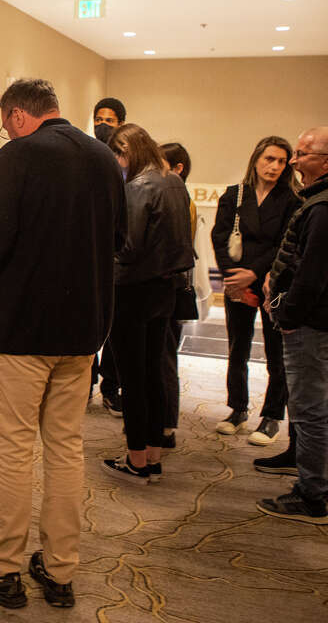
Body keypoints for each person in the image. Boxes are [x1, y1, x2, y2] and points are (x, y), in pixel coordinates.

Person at [0, 79, 126, 610]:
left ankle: (4, 566)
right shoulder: (104, 157)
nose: (5, 130)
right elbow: (119, 240)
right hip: (82, 330)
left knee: (12, 447)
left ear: (16, 114)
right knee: (65, 448)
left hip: (22, 331)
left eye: (4, 121)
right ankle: (59, 571)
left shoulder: (19, 156)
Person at [256, 127, 328, 525]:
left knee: (310, 412)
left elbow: (311, 277)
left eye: (303, 154)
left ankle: (311, 496)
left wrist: (286, 318)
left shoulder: (326, 208)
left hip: (318, 326)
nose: (293, 161)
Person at [101, 124, 193, 483]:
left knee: (133, 379)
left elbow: (128, 246)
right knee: (154, 373)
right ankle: (153, 454)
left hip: (132, 291)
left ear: (126, 152)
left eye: (117, 157)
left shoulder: (139, 187)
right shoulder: (173, 182)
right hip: (164, 290)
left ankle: (136, 459)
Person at [211, 136, 302, 445]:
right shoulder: (235, 195)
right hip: (238, 284)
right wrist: (232, 278)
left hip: (274, 285)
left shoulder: (292, 199)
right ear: (256, 160)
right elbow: (219, 235)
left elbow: (284, 246)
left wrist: (253, 273)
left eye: (280, 161)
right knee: (238, 348)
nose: (274, 166)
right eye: (269, 159)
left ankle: (272, 416)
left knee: (277, 353)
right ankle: (237, 410)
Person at [92, 96, 129, 414]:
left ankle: (110, 385)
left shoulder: (127, 160)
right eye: (98, 118)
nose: (102, 124)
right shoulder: (85, 154)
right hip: (88, 254)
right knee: (86, 320)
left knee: (115, 328)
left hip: (117, 256)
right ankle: (86, 381)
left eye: (110, 119)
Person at [159, 142, 196, 449]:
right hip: (165, 286)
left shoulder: (178, 199)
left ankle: (166, 425)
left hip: (166, 289)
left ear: (177, 168)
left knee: (165, 358)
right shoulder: (174, 195)